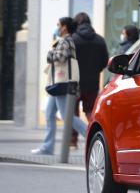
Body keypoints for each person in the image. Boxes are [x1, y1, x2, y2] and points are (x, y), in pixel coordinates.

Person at [32, 17, 87, 155]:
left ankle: (90, 135)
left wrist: (50, 53)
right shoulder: (64, 41)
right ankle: (47, 147)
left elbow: (60, 57)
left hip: (62, 83)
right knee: (50, 113)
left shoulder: (67, 41)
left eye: (58, 25)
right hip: (58, 84)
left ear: (64, 27)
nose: (57, 27)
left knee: (66, 116)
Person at [70, 12, 109, 148]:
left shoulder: (73, 39)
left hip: (75, 83)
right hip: (92, 82)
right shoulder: (99, 40)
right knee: (91, 113)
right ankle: (95, 139)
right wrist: (94, 70)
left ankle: (72, 142)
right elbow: (105, 61)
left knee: (72, 113)